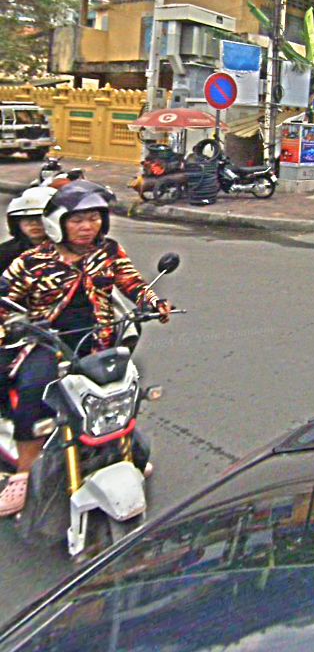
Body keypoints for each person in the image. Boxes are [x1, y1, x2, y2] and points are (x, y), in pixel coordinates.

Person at [0, 180, 173, 516]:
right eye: (78, 220)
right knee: (34, 388)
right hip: (49, 342)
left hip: (99, 340)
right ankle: (24, 473)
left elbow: (132, 283)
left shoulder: (108, 251)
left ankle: (122, 451)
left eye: (93, 218)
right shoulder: (33, 261)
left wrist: (154, 302)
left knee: (122, 391)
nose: (87, 226)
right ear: (58, 223)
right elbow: (4, 296)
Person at [0, 186, 55, 275]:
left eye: (39, 217)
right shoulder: (5, 252)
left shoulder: (68, 250)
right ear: (17, 222)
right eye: (27, 218)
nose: (34, 223)